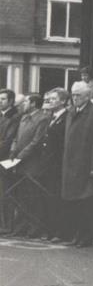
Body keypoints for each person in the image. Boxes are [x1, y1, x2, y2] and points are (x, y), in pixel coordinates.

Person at [61, 82, 93, 247]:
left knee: (85, 202)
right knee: (73, 201)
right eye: (73, 95)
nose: (75, 98)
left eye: (78, 95)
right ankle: (77, 234)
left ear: (87, 96)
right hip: (71, 163)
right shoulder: (71, 112)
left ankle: (86, 236)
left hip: (85, 164)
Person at [9, 94, 49, 238]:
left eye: (26, 101)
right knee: (21, 196)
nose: (23, 104)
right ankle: (20, 227)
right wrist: (13, 151)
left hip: (32, 164)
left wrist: (21, 155)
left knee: (33, 196)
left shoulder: (42, 118)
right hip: (19, 163)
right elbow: (16, 138)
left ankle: (34, 227)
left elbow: (36, 141)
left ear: (33, 103)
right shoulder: (23, 117)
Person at [39, 88, 69, 241]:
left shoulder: (66, 118)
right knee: (49, 197)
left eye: (54, 98)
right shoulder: (52, 117)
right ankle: (51, 230)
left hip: (58, 164)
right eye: (49, 98)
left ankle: (59, 232)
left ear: (63, 101)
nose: (50, 101)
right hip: (49, 164)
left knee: (57, 198)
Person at [0, 89, 21, 234]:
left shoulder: (14, 117)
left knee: (6, 193)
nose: (0, 101)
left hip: (6, 160)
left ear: (11, 101)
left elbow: (7, 141)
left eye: (3, 99)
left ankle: (7, 226)